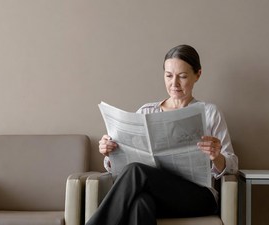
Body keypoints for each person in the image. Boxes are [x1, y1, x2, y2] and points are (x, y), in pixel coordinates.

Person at [86, 44, 238, 225]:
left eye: (182, 76)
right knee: (140, 204)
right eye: (168, 76)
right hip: (158, 195)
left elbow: (233, 165)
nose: (174, 84)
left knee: (136, 171)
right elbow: (117, 168)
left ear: (198, 74)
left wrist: (216, 156)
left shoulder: (210, 113)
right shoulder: (145, 112)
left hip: (198, 197)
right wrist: (110, 152)